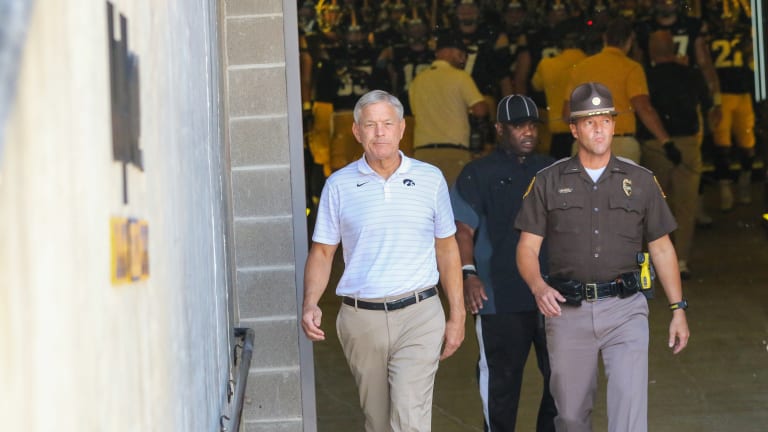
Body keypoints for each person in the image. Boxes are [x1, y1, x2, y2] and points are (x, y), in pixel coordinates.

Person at [515, 82, 690, 432]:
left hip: (625, 309)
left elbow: (662, 248)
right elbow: (527, 248)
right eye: (589, 121)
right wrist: (538, 286)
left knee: (629, 414)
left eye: (605, 120)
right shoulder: (548, 181)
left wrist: (678, 309)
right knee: (570, 417)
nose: (599, 129)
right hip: (567, 310)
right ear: (574, 129)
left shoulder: (641, 181)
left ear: (614, 125)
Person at [301, 90, 466, 432]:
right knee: (377, 420)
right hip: (361, 318)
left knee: (408, 415)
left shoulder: (430, 178)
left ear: (402, 128)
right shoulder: (339, 185)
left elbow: (447, 248)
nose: (380, 133)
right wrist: (310, 302)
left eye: (387, 124)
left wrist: (458, 314)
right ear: (356, 132)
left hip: (420, 313)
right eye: (370, 125)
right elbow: (323, 252)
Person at [451, 94, 557, 432]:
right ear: (499, 128)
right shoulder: (477, 173)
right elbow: (462, 230)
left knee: (562, 382)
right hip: (499, 295)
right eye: (518, 126)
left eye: (532, 125)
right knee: (500, 386)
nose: (528, 132)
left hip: (552, 293)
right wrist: (468, 274)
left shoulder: (553, 169)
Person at [640, 29, 707, 280]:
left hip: (655, 144)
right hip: (687, 142)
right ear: (674, 48)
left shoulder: (645, 76)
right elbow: (704, 101)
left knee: (656, 206)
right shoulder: (690, 73)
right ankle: (681, 261)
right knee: (686, 204)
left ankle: (659, 260)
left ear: (651, 51)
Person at [564, 16, 675, 163]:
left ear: (605, 38)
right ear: (630, 40)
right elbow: (643, 108)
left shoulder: (580, 68)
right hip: (621, 145)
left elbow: (567, 114)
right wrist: (666, 142)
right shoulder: (632, 68)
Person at [409, 32, 489, 185]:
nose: (464, 59)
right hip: (454, 153)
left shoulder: (417, 80)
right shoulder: (460, 77)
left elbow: (415, 113)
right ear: (449, 51)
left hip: (422, 154)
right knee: (453, 198)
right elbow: (480, 110)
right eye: (461, 54)